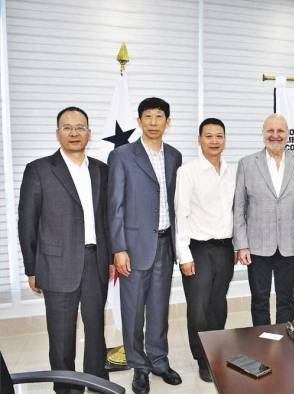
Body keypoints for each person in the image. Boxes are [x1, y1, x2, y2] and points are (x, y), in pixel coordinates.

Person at [18, 107, 110, 393]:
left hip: (95, 260)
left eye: (80, 127)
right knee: (61, 335)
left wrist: (111, 255)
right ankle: (66, 388)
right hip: (56, 264)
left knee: (96, 330)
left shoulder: (101, 169)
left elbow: (107, 217)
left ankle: (96, 383)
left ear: (89, 133)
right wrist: (31, 268)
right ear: (57, 132)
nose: (74, 133)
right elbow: (27, 222)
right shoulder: (39, 169)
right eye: (67, 127)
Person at [108, 97, 182, 394]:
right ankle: (138, 365)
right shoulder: (123, 155)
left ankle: (159, 360)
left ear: (168, 121)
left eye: (159, 116)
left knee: (159, 308)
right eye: (148, 117)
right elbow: (114, 206)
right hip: (134, 247)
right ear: (139, 121)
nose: (153, 122)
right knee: (133, 310)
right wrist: (118, 248)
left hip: (165, 244)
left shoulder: (175, 156)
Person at [233, 113, 294, 326]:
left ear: (288, 135)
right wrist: (241, 245)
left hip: (292, 244)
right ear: (263, 134)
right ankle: (262, 343)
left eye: (280, 131)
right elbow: (239, 207)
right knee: (259, 299)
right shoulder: (247, 164)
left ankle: (285, 342)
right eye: (270, 131)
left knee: (286, 299)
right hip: (257, 246)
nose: (275, 135)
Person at [175, 118, 236, 382]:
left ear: (225, 140)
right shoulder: (187, 172)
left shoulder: (232, 171)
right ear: (199, 140)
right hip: (197, 248)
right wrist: (184, 255)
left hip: (225, 249)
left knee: (218, 306)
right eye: (208, 136)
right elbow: (182, 214)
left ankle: (215, 351)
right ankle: (202, 359)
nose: (214, 141)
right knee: (198, 308)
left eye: (219, 136)